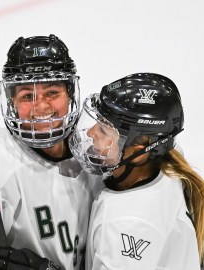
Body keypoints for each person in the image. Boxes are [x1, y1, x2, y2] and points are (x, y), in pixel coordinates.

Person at [0, 34, 101, 270]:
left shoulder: (98, 150)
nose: (41, 106)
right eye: (27, 96)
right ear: (12, 101)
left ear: (70, 94)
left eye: (52, 92)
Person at [69, 73, 204, 269]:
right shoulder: (168, 166)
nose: (91, 133)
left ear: (139, 154)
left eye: (104, 131)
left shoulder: (125, 223)